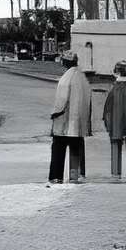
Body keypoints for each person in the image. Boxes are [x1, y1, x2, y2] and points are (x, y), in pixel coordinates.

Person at [48, 52, 93, 184]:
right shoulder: (83, 77)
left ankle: (56, 176)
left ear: (66, 62)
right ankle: (76, 174)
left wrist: (54, 113)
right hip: (79, 123)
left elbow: (61, 101)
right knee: (76, 148)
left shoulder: (66, 78)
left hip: (65, 122)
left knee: (58, 149)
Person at [101, 61, 126, 182]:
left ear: (117, 73)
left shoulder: (114, 90)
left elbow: (107, 109)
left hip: (116, 124)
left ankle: (115, 173)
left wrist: (108, 125)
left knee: (115, 146)